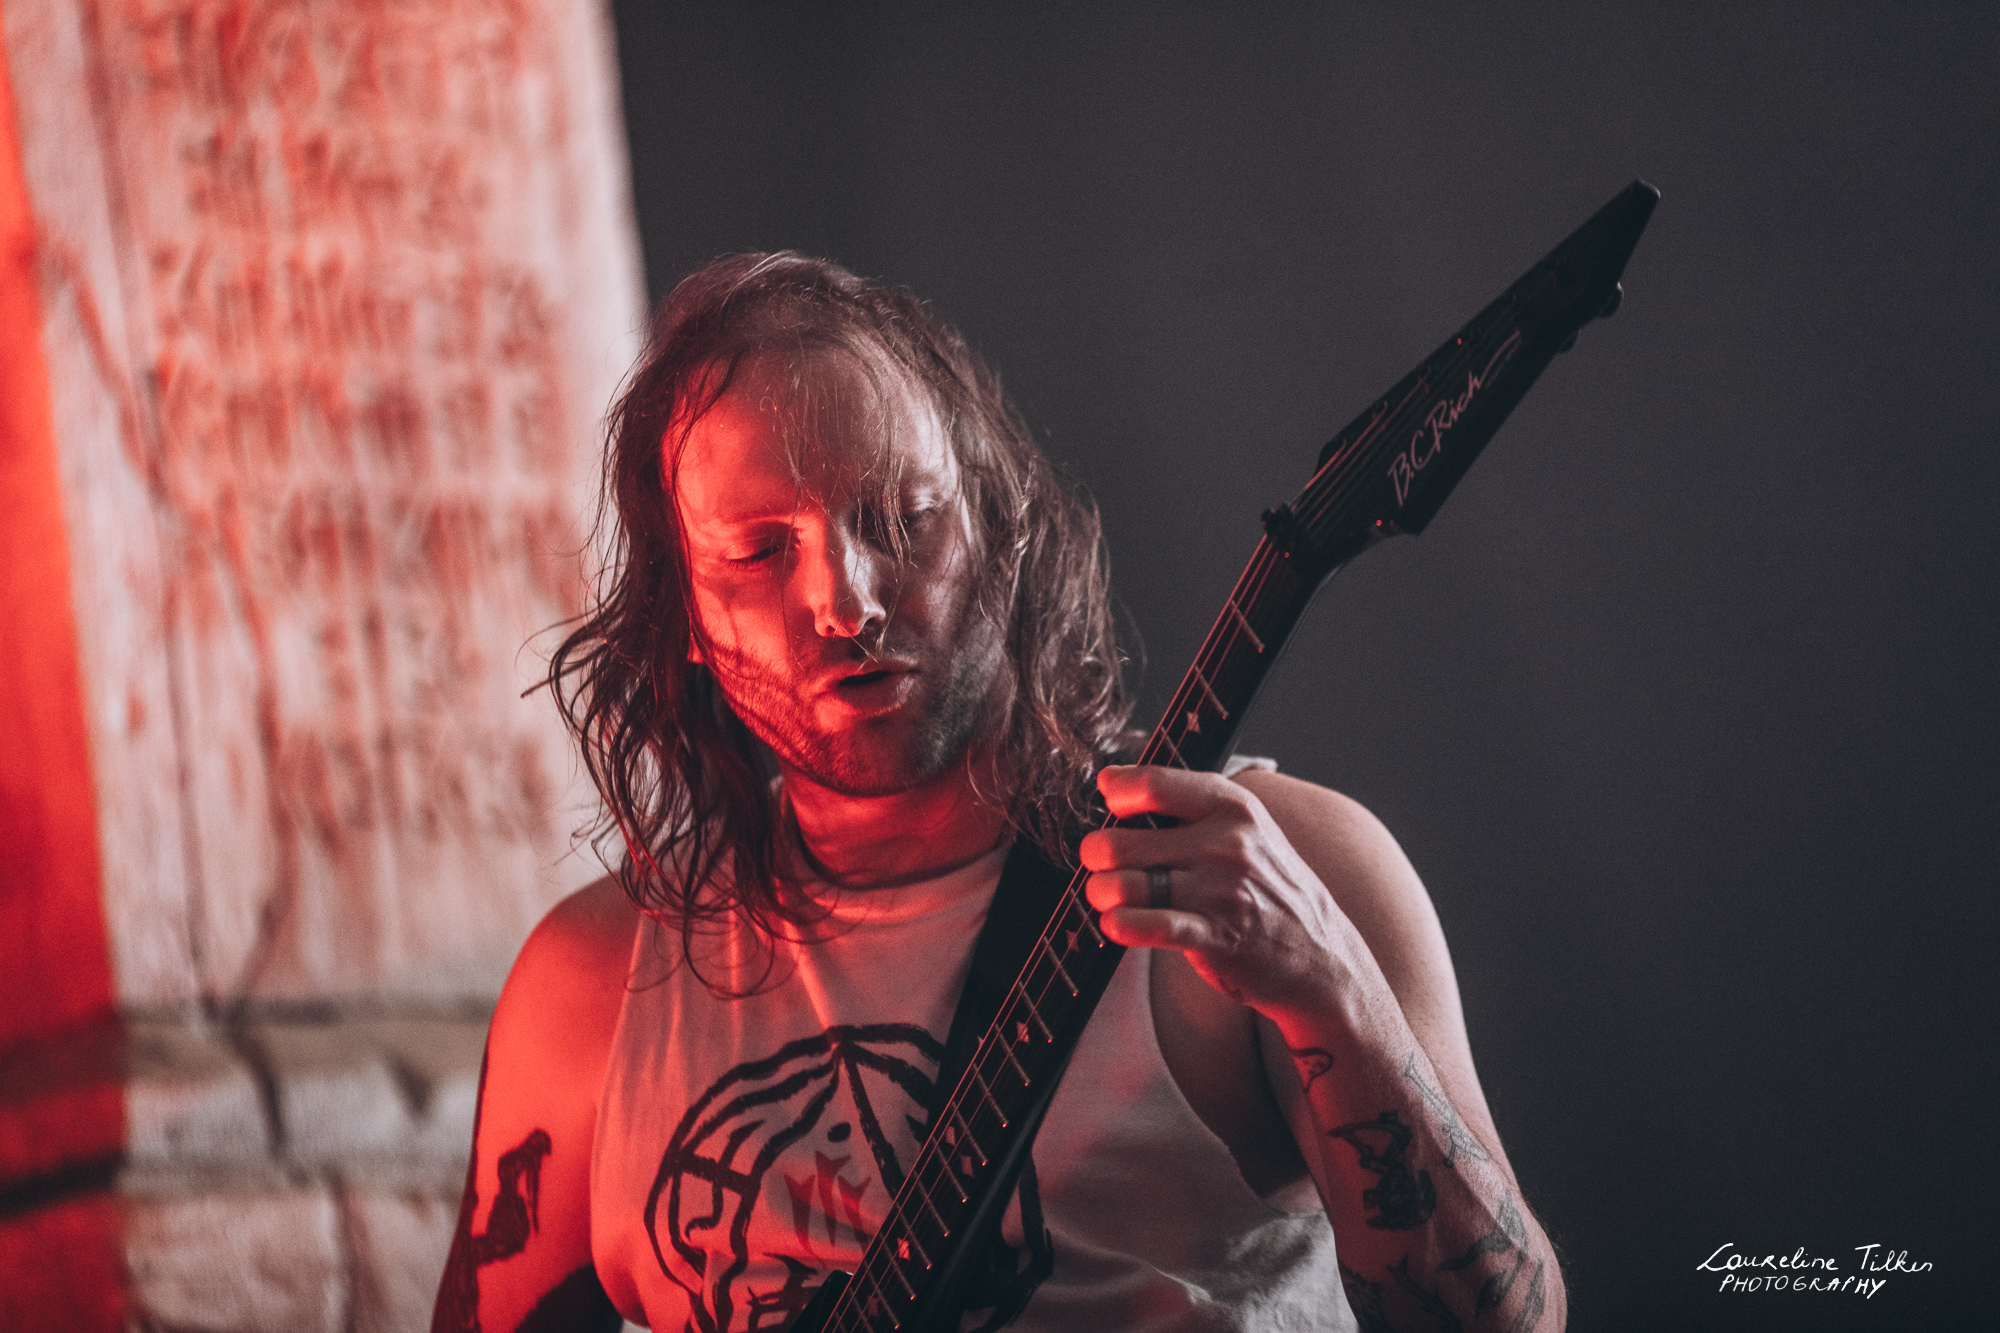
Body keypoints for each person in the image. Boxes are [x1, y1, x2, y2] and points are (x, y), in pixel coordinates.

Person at [433, 254, 1566, 1333]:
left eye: (900, 517)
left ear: (996, 524)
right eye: (758, 552)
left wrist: (1333, 993)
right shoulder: (587, 987)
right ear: (679, 608)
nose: (845, 601)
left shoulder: (1272, 868)